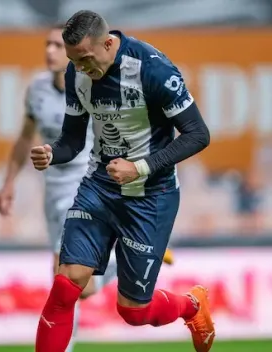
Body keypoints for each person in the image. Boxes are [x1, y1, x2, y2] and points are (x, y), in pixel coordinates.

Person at [30, 10, 214, 352]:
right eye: (75, 61)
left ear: (109, 43)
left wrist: (141, 167)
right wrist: (52, 153)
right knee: (66, 282)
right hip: (98, 187)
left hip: (151, 195)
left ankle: (192, 304)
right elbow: (72, 141)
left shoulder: (153, 69)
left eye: (85, 59)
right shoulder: (76, 71)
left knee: (133, 311)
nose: (81, 69)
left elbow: (198, 134)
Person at [0, 23, 175, 352]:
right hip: (52, 191)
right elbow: (25, 137)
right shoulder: (38, 89)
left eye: (56, 45)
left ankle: (121, 246)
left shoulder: (96, 79)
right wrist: (9, 182)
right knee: (80, 287)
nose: (51, 52)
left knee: (66, 284)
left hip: (86, 186)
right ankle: (122, 252)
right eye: (48, 45)